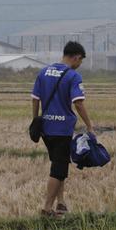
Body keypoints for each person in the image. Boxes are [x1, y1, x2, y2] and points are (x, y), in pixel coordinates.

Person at [31, 41, 93, 217]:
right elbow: (78, 103)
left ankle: (61, 202)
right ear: (76, 57)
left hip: (46, 128)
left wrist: (36, 119)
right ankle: (47, 208)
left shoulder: (44, 72)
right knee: (59, 169)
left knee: (59, 163)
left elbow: (35, 98)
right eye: (80, 61)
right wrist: (89, 125)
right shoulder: (73, 76)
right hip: (62, 128)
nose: (80, 64)